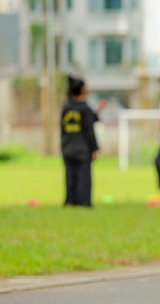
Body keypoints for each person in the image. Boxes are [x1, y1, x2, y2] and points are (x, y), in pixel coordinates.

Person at [60, 76, 100, 207]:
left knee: (70, 176)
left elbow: (64, 128)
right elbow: (89, 130)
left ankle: (70, 201)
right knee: (83, 177)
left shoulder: (66, 107)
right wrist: (95, 149)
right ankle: (84, 202)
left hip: (67, 147)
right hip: (82, 149)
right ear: (82, 89)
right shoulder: (84, 108)